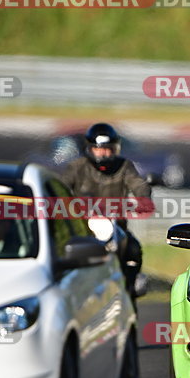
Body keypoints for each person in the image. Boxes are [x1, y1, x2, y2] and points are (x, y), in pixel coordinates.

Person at [62, 123, 152, 298]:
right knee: (62, 248)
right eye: (98, 149)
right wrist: (66, 205)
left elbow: (139, 184)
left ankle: (130, 287)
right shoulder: (76, 167)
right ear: (89, 149)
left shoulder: (125, 166)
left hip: (116, 224)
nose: (103, 153)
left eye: (108, 149)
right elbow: (62, 188)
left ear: (115, 149)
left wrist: (143, 198)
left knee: (133, 248)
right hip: (83, 226)